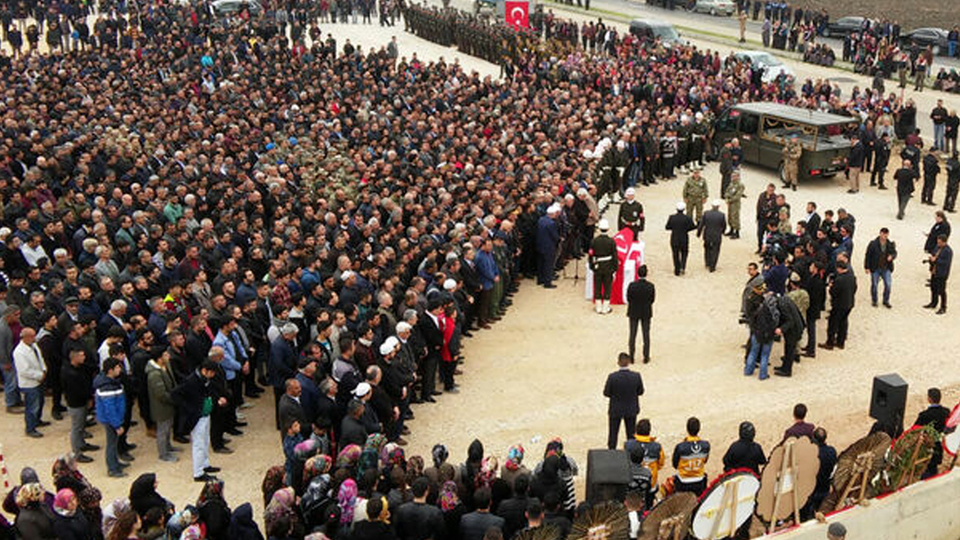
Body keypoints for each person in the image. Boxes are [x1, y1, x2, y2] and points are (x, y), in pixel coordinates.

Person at [172, 360, 220, 482]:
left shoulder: (204, 379)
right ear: (205, 371)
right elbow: (175, 394)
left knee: (205, 440)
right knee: (198, 443)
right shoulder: (191, 381)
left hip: (205, 414)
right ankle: (198, 472)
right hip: (196, 417)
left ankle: (205, 464)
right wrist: (189, 409)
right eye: (212, 373)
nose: (213, 375)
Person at [603, 352, 645, 449]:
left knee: (613, 435)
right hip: (631, 409)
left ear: (618, 362)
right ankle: (631, 457)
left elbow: (606, 393)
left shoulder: (612, 377)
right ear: (629, 362)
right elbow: (641, 391)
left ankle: (612, 454)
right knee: (631, 435)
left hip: (616, 409)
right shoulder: (636, 376)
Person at [94, 357, 127, 478]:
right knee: (111, 444)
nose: (120, 369)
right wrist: (117, 425)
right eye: (117, 367)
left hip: (114, 419)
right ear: (110, 370)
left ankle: (115, 463)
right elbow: (110, 409)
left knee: (113, 442)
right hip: (111, 421)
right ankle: (113, 469)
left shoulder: (111, 381)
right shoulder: (106, 386)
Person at [13, 327, 47, 438]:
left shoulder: (33, 345)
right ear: (25, 337)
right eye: (32, 336)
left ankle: (37, 420)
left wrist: (44, 370)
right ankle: (30, 428)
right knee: (32, 406)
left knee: (40, 402)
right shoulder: (19, 352)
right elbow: (24, 371)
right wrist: (39, 375)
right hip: (29, 384)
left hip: (39, 379)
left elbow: (40, 358)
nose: (35, 338)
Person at [146, 348, 179, 462]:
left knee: (168, 427)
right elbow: (161, 394)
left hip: (169, 404)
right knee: (162, 430)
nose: (168, 356)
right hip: (161, 407)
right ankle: (163, 454)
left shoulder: (165, 366)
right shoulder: (154, 374)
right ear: (159, 359)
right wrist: (174, 399)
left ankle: (168, 446)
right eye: (165, 354)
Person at [624, 418, 665, 509]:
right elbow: (661, 464)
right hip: (649, 486)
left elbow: (624, 462)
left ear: (636, 430)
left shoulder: (628, 445)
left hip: (631, 485)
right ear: (649, 431)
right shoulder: (657, 446)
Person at [820, 261, 857, 350]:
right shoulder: (852, 277)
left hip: (839, 305)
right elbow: (855, 288)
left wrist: (831, 286)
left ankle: (830, 343)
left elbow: (833, 292)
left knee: (833, 323)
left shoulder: (839, 279)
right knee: (843, 323)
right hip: (849, 303)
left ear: (839, 268)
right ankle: (841, 342)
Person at [915, 387, 950, 479]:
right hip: (939, 445)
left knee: (927, 470)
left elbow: (915, 430)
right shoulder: (946, 412)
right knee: (933, 468)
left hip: (927, 447)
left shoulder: (924, 415)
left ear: (929, 399)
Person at [745, 291, 778, 381]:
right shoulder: (774, 312)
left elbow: (753, 321)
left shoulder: (759, 309)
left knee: (753, 352)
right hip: (768, 335)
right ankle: (762, 375)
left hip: (757, 333)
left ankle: (748, 371)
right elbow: (774, 324)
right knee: (765, 355)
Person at [672, 417, 710, 496]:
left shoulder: (680, 447)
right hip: (699, 482)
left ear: (687, 429)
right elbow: (705, 461)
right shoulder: (706, 445)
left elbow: (675, 465)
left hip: (683, 482)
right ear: (699, 429)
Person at [625, 265, 655, 363]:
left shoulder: (632, 285)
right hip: (646, 312)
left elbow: (628, 298)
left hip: (633, 312)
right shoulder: (650, 286)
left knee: (632, 334)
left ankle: (631, 357)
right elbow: (652, 300)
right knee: (646, 335)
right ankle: (646, 357)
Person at [589, 219, 618, 315]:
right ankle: (605, 307)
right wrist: (615, 268)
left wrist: (592, 266)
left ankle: (598, 307)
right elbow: (615, 256)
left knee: (597, 286)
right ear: (608, 229)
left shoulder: (594, 241)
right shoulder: (611, 242)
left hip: (598, 266)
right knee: (607, 286)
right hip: (608, 266)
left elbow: (591, 255)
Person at [864, 228, 897, 308]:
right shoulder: (873, 244)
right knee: (874, 285)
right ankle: (874, 300)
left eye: (886, 235)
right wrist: (866, 267)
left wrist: (892, 256)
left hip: (886, 268)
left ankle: (886, 300)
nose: (884, 236)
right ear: (880, 234)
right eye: (883, 234)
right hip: (875, 268)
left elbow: (894, 253)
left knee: (888, 285)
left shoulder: (889, 244)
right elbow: (868, 255)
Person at [773, 292, 804, 377]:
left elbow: (790, 321)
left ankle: (787, 371)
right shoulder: (784, 300)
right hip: (795, 328)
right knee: (788, 348)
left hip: (793, 330)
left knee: (790, 350)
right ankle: (784, 367)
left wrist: (781, 329)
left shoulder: (782, 306)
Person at [666, 202, 696, 276]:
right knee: (684, 253)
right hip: (684, 238)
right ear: (684, 209)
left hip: (674, 238)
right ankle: (682, 266)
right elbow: (693, 227)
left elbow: (667, 227)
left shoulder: (672, 217)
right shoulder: (687, 218)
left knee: (675, 254)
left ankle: (677, 269)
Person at [925, 234, 953, 314]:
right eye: (938, 242)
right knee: (933, 287)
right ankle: (933, 303)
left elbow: (946, 263)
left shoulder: (948, 251)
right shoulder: (937, 247)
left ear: (944, 242)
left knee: (941, 290)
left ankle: (943, 307)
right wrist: (931, 258)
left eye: (940, 242)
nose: (938, 243)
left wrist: (935, 260)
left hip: (942, 273)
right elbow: (933, 253)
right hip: (934, 271)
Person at [536, 205, 561, 289]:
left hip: (540, 244)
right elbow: (554, 236)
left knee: (540, 263)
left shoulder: (541, 220)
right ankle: (547, 282)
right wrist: (559, 239)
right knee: (548, 264)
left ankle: (540, 279)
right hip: (549, 246)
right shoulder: (551, 223)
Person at [698, 200, 727, 272]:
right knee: (715, 250)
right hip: (717, 235)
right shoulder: (721, 215)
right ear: (718, 207)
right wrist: (722, 232)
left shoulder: (706, 213)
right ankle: (713, 266)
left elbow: (702, 224)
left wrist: (699, 233)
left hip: (707, 234)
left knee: (707, 249)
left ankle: (707, 263)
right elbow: (724, 225)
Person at [723, 171, 745, 239]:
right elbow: (727, 191)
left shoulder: (740, 185)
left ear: (738, 177)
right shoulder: (731, 183)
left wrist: (729, 200)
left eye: (734, 176)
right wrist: (726, 198)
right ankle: (731, 230)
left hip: (735, 203)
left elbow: (738, 196)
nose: (733, 178)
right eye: (732, 176)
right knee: (730, 216)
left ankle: (737, 232)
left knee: (735, 217)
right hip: (730, 203)